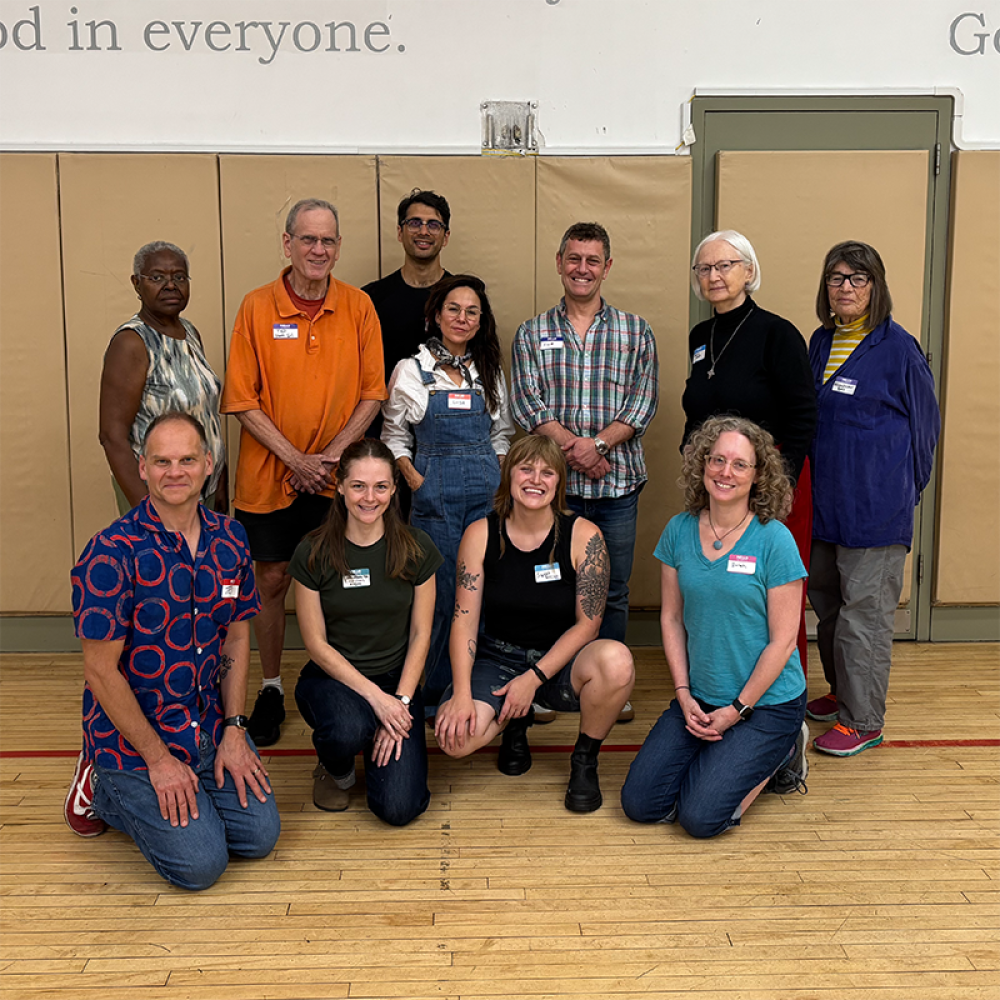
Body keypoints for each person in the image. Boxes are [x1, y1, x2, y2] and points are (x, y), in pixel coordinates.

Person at [64, 412, 279, 890]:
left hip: (204, 727)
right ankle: (102, 785)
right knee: (201, 865)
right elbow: (100, 672)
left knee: (260, 837)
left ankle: (191, 792)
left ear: (208, 464)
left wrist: (234, 729)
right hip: (135, 741)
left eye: (186, 459)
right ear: (142, 467)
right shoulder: (111, 553)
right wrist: (159, 761)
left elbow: (237, 637)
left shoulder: (230, 539)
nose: (175, 472)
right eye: (162, 461)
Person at [221, 198, 386, 748]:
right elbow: (242, 400)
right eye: (309, 240)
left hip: (337, 478)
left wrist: (330, 460)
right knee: (269, 581)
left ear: (339, 247)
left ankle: (339, 682)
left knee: (341, 577)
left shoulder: (359, 307)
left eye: (329, 241)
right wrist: (295, 460)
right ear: (287, 243)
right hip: (268, 478)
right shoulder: (255, 307)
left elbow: (371, 394)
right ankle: (270, 687)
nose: (319, 250)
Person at [620, 416, 809, 839]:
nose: (726, 472)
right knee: (641, 804)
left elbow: (783, 642)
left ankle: (785, 750)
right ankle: (724, 759)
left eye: (740, 464)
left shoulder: (773, 540)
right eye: (718, 460)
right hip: (701, 697)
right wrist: (684, 694)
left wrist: (736, 711)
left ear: (758, 474)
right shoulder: (679, 531)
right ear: (701, 465)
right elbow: (670, 618)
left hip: (765, 705)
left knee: (700, 818)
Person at [434, 436, 635, 813]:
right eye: (525, 469)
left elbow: (588, 627)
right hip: (498, 658)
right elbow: (463, 622)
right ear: (508, 475)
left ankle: (584, 760)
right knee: (455, 741)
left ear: (559, 482)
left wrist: (533, 679)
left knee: (617, 660)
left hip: (559, 664)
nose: (535, 480)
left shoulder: (585, 536)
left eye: (547, 472)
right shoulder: (480, 534)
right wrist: (462, 693)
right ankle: (514, 724)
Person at [510, 222, 658, 723]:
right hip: (551, 491)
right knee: (550, 585)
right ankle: (551, 684)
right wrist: (575, 449)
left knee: (611, 589)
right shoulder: (533, 332)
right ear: (559, 262)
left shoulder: (635, 331)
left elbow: (642, 404)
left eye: (592, 260)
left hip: (617, 486)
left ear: (607, 268)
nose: (582, 268)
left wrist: (595, 446)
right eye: (574, 258)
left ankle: (609, 684)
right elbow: (527, 403)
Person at [806, 241, 940, 756]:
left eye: (858, 279)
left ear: (876, 286)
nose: (845, 288)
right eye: (836, 278)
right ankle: (844, 693)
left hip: (874, 511)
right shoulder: (820, 341)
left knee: (865, 616)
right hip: (825, 509)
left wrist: (900, 491)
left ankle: (863, 720)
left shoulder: (898, 348)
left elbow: (925, 431)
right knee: (831, 607)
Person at [683, 230, 816, 673]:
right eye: (705, 268)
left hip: (770, 480)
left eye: (725, 265)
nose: (714, 275)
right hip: (717, 480)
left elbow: (803, 415)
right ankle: (724, 677)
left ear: (749, 271)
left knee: (772, 587)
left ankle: (782, 699)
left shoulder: (777, 333)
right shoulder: (701, 335)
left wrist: (782, 486)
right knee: (721, 584)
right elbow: (696, 409)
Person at [290, 439, 442, 824]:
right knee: (346, 728)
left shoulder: (416, 548)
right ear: (339, 486)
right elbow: (316, 644)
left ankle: (378, 734)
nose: (368, 497)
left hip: (398, 684)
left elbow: (422, 634)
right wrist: (378, 700)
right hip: (334, 680)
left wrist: (401, 703)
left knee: (398, 809)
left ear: (393, 490)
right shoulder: (313, 551)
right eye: (358, 485)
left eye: (380, 486)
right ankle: (335, 767)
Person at [382, 275, 513, 712]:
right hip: (433, 499)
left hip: (484, 499)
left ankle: (483, 688)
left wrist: (495, 481)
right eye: (453, 309)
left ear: (480, 321)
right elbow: (394, 435)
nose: (462, 318)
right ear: (436, 315)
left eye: (471, 311)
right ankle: (433, 692)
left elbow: (502, 435)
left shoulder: (488, 369)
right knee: (437, 596)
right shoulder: (411, 369)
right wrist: (414, 479)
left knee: (484, 590)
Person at [99, 241, 227, 514]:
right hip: (161, 494)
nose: (171, 285)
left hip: (204, 488)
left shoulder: (189, 332)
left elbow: (206, 415)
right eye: (157, 277)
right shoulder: (132, 342)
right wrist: (147, 511)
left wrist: (219, 480)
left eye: (179, 277)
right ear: (136, 284)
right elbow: (112, 436)